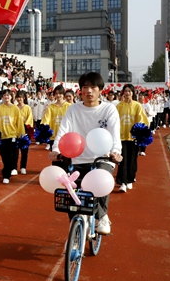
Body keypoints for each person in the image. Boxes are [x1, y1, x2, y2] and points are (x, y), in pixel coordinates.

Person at [50, 72, 122, 235]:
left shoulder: (108, 109)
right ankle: (75, 229)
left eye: (93, 87)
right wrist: (55, 150)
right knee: (71, 192)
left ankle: (102, 216)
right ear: (80, 90)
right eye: (85, 87)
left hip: (102, 157)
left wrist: (116, 152)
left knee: (101, 180)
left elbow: (114, 134)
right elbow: (63, 131)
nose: (89, 91)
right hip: (77, 157)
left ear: (100, 90)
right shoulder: (73, 110)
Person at [115, 84, 149, 192]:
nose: (127, 93)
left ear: (133, 93)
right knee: (122, 160)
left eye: (129, 91)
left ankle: (130, 179)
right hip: (121, 137)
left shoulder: (137, 105)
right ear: (123, 93)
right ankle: (122, 182)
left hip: (133, 138)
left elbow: (142, 120)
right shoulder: (119, 106)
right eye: (126, 91)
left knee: (132, 160)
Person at [0, 90, 25, 184]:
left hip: (12, 135)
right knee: (3, 155)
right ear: (2, 97)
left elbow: (19, 122)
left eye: (8, 95)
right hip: (2, 136)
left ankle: (6, 175)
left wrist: (21, 134)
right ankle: (6, 169)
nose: (6, 97)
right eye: (5, 95)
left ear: (11, 97)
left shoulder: (15, 108)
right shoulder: (0, 108)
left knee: (10, 156)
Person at [41, 84, 71, 155]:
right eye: (56, 93)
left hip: (66, 136)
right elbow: (46, 119)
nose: (58, 95)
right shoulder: (51, 107)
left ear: (63, 94)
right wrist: (43, 128)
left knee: (66, 158)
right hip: (53, 137)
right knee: (55, 159)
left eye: (60, 93)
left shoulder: (69, 106)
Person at [14, 91, 34, 175]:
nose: (19, 99)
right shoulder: (14, 107)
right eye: (18, 97)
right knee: (14, 151)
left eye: (21, 97)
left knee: (24, 150)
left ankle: (23, 167)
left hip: (25, 130)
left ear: (24, 98)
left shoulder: (27, 108)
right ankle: (14, 167)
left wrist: (25, 126)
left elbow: (30, 119)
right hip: (15, 131)